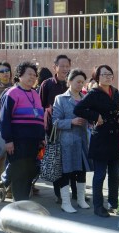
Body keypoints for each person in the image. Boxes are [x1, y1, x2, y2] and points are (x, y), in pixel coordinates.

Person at [74, 65, 119, 218]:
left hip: (115, 138)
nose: (108, 77)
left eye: (110, 74)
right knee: (100, 174)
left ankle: (114, 203)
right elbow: (79, 109)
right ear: (97, 77)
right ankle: (98, 206)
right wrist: (95, 116)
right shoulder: (94, 93)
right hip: (100, 138)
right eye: (104, 74)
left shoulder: (115, 93)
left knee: (114, 174)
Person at [0, 61, 45, 201]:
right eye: (29, 74)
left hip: (33, 141)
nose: (33, 77)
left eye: (35, 75)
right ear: (20, 75)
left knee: (30, 170)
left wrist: (41, 137)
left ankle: (9, 186)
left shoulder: (35, 94)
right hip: (17, 140)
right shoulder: (12, 93)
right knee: (19, 170)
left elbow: (40, 117)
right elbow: (3, 119)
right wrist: (8, 140)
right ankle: (20, 202)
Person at [52, 69, 90, 213]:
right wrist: (71, 121)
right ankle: (65, 202)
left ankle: (80, 199)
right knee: (66, 172)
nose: (80, 84)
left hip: (81, 140)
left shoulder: (85, 98)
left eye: (82, 82)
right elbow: (55, 122)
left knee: (81, 171)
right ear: (69, 81)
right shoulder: (60, 99)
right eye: (77, 81)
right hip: (66, 141)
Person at [40, 55, 73, 203]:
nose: (65, 69)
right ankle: (59, 194)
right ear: (55, 67)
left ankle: (74, 191)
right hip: (53, 129)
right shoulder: (47, 84)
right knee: (56, 160)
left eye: (67, 66)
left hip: (71, 128)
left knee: (71, 160)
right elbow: (40, 106)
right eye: (62, 66)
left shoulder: (71, 83)